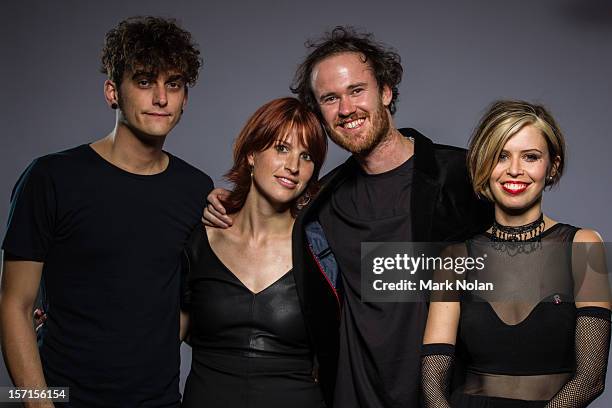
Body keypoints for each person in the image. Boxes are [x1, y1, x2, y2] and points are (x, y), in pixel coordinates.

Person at [203, 26, 492, 407]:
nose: (346, 109)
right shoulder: (322, 202)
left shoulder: (462, 175)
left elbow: (524, 273)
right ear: (319, 113)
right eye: (330, 98)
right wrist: (228, 202)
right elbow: (265, 214)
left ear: (385, 92)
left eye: (357, 90)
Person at [0, 16, 212, 407]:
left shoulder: (197, 189)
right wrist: (35, 403)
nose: (161, 98)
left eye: (174, 84)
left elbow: (186, 299)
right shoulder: (51, 177)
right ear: (112, 91)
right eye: (145, 81)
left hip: (160, 401)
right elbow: (14, 303)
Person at [421, 100, 612, 407]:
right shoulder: (455, 257)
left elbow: (591, 378)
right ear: (483, 165)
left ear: (553, 166)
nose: (514, 170)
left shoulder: (584, 247)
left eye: (531, 157)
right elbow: (434, 375)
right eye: (501, 156)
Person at [180, 97, 328, 408]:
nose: (293, 166)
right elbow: (158, 343)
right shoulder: (198, 240)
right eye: (281, 148)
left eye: (307, 156)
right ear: (251, 153)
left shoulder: (322, 251)